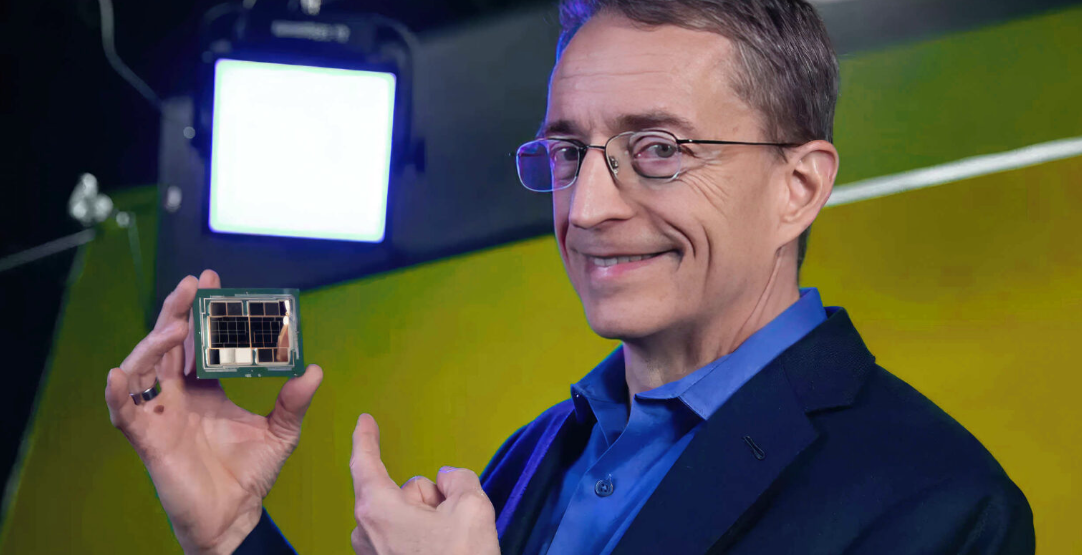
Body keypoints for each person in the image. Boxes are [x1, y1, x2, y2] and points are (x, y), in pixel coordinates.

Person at [105, 0, 1036, 553]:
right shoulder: (532, 456)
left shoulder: (943, 507)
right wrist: (232, 532)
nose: (585, 208)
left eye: (658, 148)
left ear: (799, 187)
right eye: (567, 152)